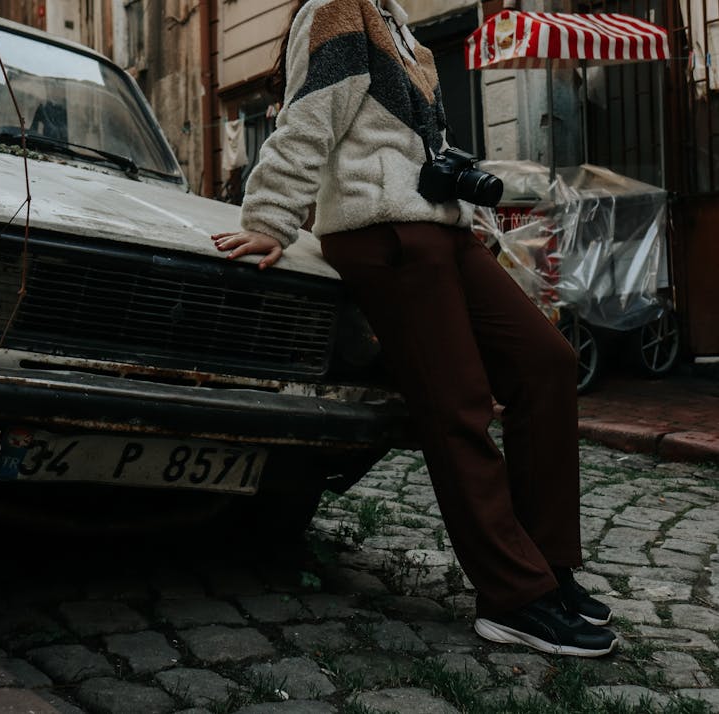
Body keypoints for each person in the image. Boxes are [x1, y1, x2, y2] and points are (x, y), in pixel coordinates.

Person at [212, 0, 617, 658]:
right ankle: (515, 599)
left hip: (442, 227)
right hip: (382, 232)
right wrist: (269, 216)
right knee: (454, 405)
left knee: (545, 361)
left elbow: (418, 146)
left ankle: (548, 568)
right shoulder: (339, 8)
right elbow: (311, 115)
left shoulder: (400, 28)